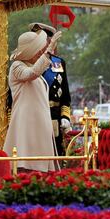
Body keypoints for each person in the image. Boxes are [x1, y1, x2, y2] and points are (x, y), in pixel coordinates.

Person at [3, 29, 63, 172]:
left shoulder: (30, 65)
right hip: (26, 124)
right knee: (27, 165)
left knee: (41, 167)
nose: (39, 53)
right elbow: (32, 74)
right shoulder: (17, 66)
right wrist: (49, 51)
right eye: (36, 50)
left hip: (38, 124)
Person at [30, 22, 72, 156]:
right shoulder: (26, 62)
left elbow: (65, 95)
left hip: (53, 116)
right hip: (32, 116)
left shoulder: (59, 63)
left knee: (55, 155)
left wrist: (65, 116)